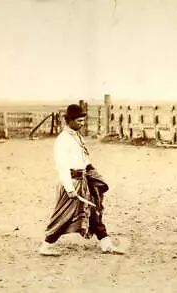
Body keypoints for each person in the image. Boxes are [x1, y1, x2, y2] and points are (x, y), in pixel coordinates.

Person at [39, 104, 123, 256]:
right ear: (69, 120)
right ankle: (44, 246)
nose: (82, 124)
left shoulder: (77, 136)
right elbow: (61, 165)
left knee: (94, 212)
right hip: (72, 183)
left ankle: (106, 244)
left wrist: (93, 175)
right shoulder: (63, 140)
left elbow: (84, 159)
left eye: (83, 120)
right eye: (79, 121)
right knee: (63, 216)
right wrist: (70, 189)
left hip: (84, 180)